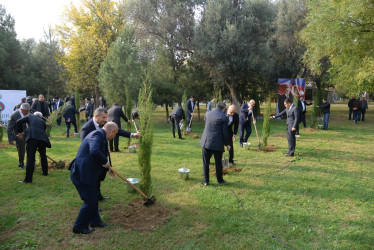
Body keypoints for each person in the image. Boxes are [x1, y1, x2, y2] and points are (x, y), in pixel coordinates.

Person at [80, 108, 140, 201]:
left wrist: (132, 134)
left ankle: (98, 196)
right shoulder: (86, 128)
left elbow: (116, 130)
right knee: (92, 180)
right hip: (91, 158)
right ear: (96, 116)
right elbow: (86, 146)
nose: (105, 120)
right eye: (103, 117)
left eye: (106, 117)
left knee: (98, 178)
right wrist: (102, 160)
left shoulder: (103, 124)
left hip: (100, 155)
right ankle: (92, 203)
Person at [70, 122, 118, 234]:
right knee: (90, 200)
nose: (114, 137)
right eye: (115, 134)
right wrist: (106, 162)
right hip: (81, 173)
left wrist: (109, 167)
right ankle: (79, 227)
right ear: (112, 132)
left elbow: (103, 154)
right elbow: (95, 151)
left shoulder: (100, 135)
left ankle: (95, 221)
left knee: (94, 197)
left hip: (89, 173)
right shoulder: (97, 135)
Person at [200, 103, 231, 186]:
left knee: (206, 162)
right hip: (217, 143)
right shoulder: (224, 117)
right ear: (223, 109)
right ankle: (219, 180)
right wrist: (227, 144)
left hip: (206, 141)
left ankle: (206, 181)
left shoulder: (208, 113)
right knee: (218, 162)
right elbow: (225, 133)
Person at [16, 112, 51, 183]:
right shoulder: (42, 121)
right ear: (41, 117)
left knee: (30, 158)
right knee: (43, 155)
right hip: (42, 139)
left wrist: (20, 132)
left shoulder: (30, 116)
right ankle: (45, 172)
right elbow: (42, 130)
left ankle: (28, 179)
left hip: (32, 138)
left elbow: (18, 121)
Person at [7, 103, 30, 169]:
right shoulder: (14, 115)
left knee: (30, 148)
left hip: (27, 133)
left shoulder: (28, 112)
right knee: (21, 150)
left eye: (28, 111)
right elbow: (9, 128)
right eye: (26, 111)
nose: (27, 113)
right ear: (21, 109)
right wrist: (10, 139)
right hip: (19, 135)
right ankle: (21, 163)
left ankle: (29, 162)